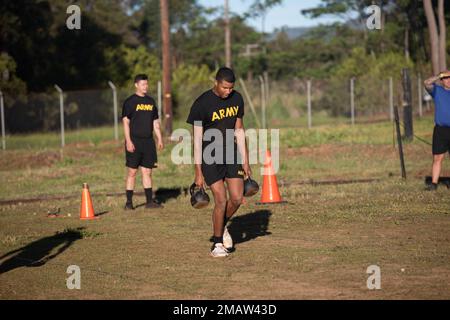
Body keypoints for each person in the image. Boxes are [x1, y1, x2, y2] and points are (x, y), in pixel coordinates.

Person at [187, 67, 251, 257]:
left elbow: (239, 130)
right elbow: (197, 141)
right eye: (225, 87)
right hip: (210, 156)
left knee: (237, 198)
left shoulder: (237, 98)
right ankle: (217, 244)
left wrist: (246, 160)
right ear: (216, 82)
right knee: (221, 200)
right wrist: (198, 172)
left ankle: (220, 225)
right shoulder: (201, 104)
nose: (228, 91)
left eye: (231, 88)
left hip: (231, 153)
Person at [122, 74, 164, 209]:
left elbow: (155, 122)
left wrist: (160, 138)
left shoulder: (151, 102)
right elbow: (125, 122)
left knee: (147, 172)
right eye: (143, 84)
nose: (146, 86)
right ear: (136, 85)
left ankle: (149, 202)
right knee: (132, 172)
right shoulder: (130, 102)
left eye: (147, 84)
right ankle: (129, 203)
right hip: (134, 141)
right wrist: (128, 141)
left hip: (148, 142)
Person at [423, 70, 450, 191]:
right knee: (438, 158)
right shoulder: (437, 90)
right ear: (442, 80)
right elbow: (426, 83)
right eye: (446, 78)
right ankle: (434, 184)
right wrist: (439, 75)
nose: (448, 80)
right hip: (441, 130)